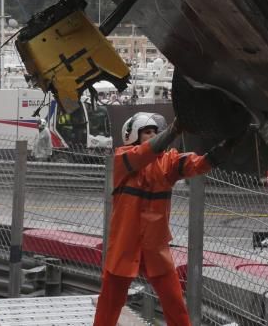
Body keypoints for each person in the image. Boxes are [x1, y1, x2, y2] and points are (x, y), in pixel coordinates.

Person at [93, 113, 232, 326]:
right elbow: (145, 153)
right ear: (132, 137)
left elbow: (198, 164)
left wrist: (226, 148)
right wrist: (173, 131)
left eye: (155, 132)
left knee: (174, 303)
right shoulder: (123, 158)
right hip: (126, 245)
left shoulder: (168, 162)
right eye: (147, 132)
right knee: (110, 302)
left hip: (155, 246)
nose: (153, 135)